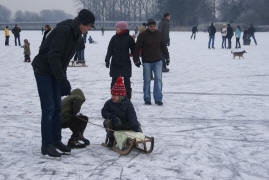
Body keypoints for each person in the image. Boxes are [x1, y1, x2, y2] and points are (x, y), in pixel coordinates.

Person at [32, 9, 95, 157]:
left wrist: (63, 78)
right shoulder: (64, 30)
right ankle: (47, 145)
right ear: (82, 23)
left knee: (57, 108)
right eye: (89, 26)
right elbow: (54, 56)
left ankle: (56, 140)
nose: (89, 29)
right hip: (43, 70)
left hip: (55, 71)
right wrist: (61, 79)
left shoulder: (76, 35)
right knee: (49, 108)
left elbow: (64, 60)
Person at [134, 19, 169, 106]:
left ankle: (158, 99)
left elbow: (163, 47)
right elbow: (137, 48)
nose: (152, 28)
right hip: (147, 61)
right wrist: (136, 60)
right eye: (151, 26)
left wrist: (167, 57)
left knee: (158, 79)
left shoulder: (159, 34)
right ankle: (147, 98)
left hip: (158, 60)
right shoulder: (142, 35)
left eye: (154, 26)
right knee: (147, 80)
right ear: (148, 26)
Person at [101, 77, 142, 147]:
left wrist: (136, 128)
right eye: (112, 95)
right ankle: (112, 139)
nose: (112, 97)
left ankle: (132, 139)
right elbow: (104, 112)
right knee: (107, 122)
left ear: (120, 96)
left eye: (115, 95)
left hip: (125, 125)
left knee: (137, 123)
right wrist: (114, 118)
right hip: (115, 126)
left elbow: (132, 116)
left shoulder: (128, 104)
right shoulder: (109, 103)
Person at [105, 21, 135, 99]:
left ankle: (127, 98)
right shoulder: (114, 38)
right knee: (114, 80)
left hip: (125, 62)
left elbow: (134, 50)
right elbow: (110, 50)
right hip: (115, 62)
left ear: (122, 29)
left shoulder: (129, 38)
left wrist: (136, 60)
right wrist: (107, 60)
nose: (116, 29)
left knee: (127, 81)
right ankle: (114, 96)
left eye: (117, 28)